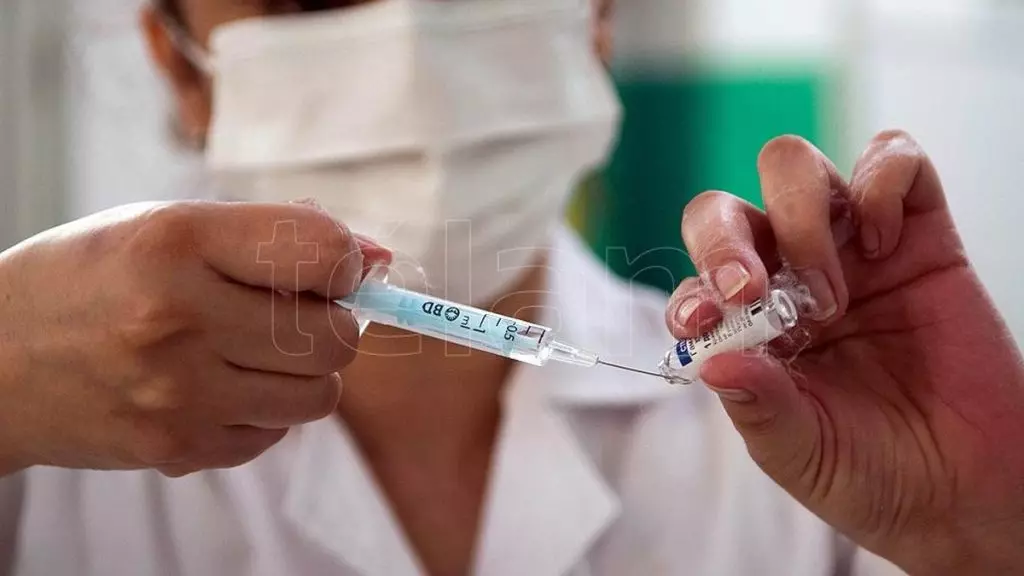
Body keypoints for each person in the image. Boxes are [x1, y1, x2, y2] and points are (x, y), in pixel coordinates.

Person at [2, 1, 1023, 575]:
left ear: (595, 21)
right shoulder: (35, 453)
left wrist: (983, 532)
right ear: (182, 64)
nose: (410, 55)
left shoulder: (816, 445)